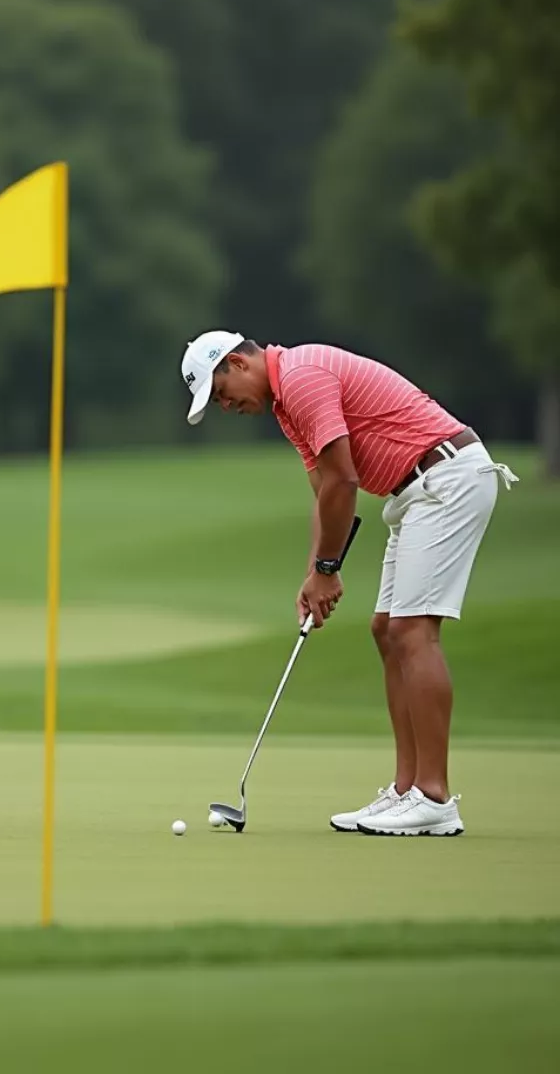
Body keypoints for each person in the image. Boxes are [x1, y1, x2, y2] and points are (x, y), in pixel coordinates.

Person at [180, 330, 518, 837]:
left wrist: (327, 571)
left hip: (445, 477)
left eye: (221, 391)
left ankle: (433, 796)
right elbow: (325, 492)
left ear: (237, 362)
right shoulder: (286, 404)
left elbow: (345, 481)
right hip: (415, 493)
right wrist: (315, 572)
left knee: (412, 632)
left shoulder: (301, 378)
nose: (225, 405)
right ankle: (406, 792)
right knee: (386, 630)